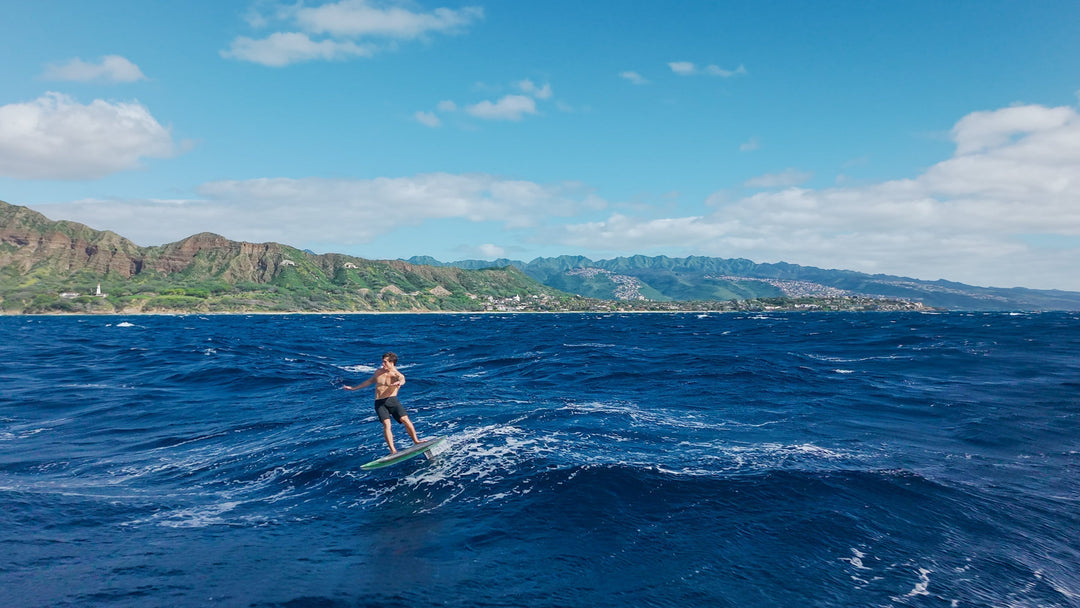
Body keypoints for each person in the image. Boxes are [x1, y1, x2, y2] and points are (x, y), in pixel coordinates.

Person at [343, 352, 421, 454]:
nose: (383, 364)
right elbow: (370, 381)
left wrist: (399, 383)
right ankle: (393, 450)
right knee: (386, 424)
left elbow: (402, 379)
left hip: (392, 400)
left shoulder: (396, 374)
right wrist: (354, 388)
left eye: (385, 362)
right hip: (379, 402)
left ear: (392, 362)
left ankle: (416, 441)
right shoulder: (378, 372)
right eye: (383, 361)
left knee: (405, 420)